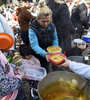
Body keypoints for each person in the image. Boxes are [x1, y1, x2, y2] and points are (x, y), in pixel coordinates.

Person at [28, 0, 59, 72]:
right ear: (37, 19)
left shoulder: (52, 26)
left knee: (46, 68)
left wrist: (55, 48)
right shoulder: (33, 28)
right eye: (43, 21)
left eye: (48, 21)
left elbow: (55, 39)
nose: (46, 24)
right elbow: (34, 45)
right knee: (38, 70)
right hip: (37, 53)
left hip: (47, 51)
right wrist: (44, 53)